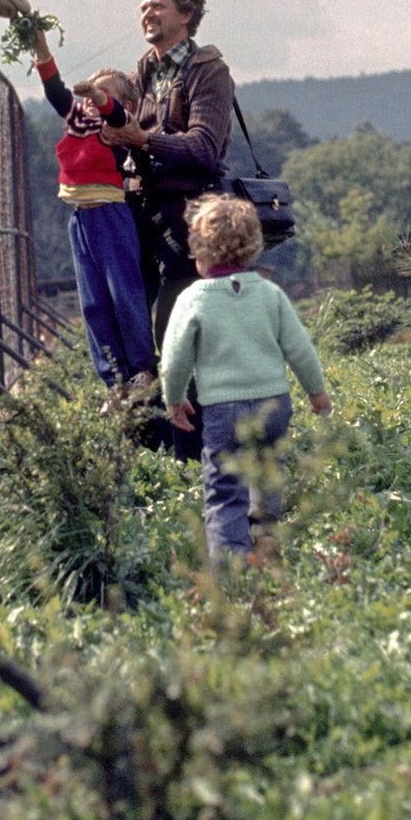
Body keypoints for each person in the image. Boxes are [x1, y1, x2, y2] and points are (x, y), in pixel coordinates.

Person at [102, 0, 235, 458]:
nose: (147, 12)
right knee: (131, 333)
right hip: (141, 217)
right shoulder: (144, 70)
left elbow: (204, 148)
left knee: (176, 335)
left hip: (187, 223)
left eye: (157, 5)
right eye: (143, 6)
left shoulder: (208, 71)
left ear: (186, 14)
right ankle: (149, 450)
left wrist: (143, 139)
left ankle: (193, 454)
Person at [160, 193, 332, 563]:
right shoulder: (270, 295)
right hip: (274, 403)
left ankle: (232, 564)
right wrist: (317, 394)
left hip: (224, 410)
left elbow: (174, 360)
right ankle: (267, 539)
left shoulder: (194, 299)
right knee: (268, 471)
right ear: (253, 247)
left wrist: (174, 400)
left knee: (224, 489)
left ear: (199, 253)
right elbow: (300, 349)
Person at [33, 28, 157, 397]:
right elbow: (56, 92)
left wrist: (100, 96)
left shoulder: (116, 128)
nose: (88, 101)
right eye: (88, 95)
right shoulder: (78, 121)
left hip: (110, 213)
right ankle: (114, 381)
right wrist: (41, 47)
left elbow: (116, 114)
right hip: (80, 218)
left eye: (100, 95)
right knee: (93, 302)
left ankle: (141, 369)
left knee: (124, 293)